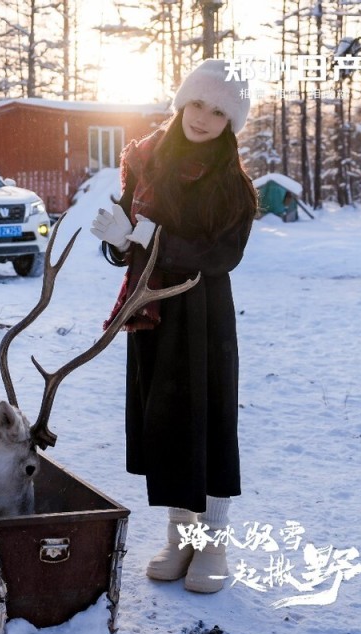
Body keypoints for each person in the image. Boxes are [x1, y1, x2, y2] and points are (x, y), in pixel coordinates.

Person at [90, 59, 257, 594]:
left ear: (230, 123)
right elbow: (125, 246)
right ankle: (179, 535)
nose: (203, 118)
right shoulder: (144, 164)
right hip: (151, 312)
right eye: (198, 103)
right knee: (161, 422)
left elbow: (221, 256)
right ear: (182, 101)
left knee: (203, 422)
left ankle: (212, 542)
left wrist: (143, 235)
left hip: (202, 316)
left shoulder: (234, 186)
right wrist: (119, 241)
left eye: (218, 111)